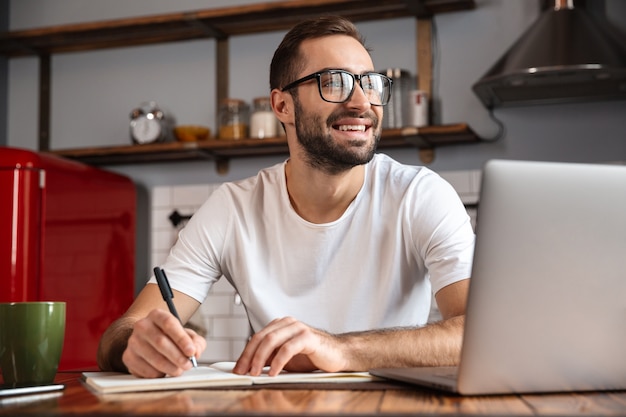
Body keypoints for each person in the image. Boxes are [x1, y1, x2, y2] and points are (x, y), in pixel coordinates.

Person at [97, 15, 475, 379]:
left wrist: (341, 350)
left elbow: (477, 332)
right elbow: (120, 333)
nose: (362, 102)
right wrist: (137, 344)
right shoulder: (233, 208)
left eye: (370, 83)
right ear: (282, 106)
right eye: (336, 82)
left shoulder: (420, 195)